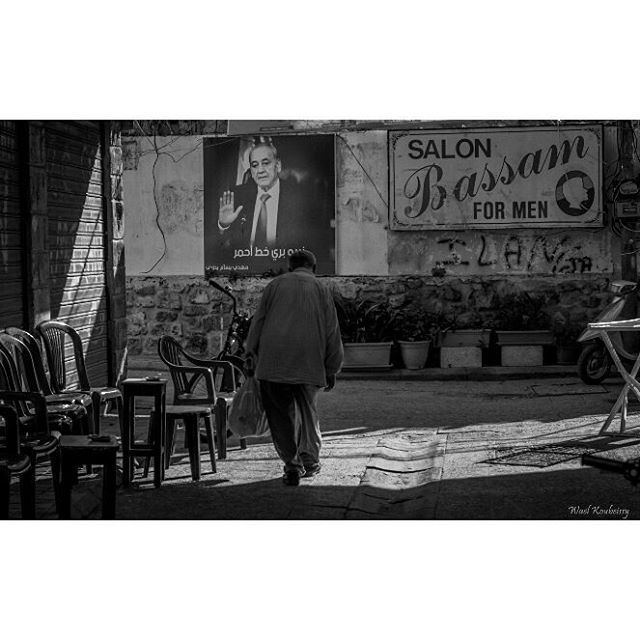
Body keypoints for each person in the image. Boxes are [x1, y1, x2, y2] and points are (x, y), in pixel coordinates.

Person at [245, 249, 344, 486]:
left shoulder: (275, 286)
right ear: (313, 268)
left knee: (280, 415)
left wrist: (250, 352)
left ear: (289, 267)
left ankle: (291, 464)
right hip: (309, 361)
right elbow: (332, 330)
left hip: (274, 362)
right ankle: (310, 459)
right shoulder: (321, 289)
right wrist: (332, 367)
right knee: (308, 412)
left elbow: (259, 320)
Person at [217, 139, 310, 250]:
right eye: (255, 165)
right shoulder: (238, 196)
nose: (260, 170)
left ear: (278, 165)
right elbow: (223, 247)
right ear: (251, 171)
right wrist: (224, 225)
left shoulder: (299, 197)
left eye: (266, 163)